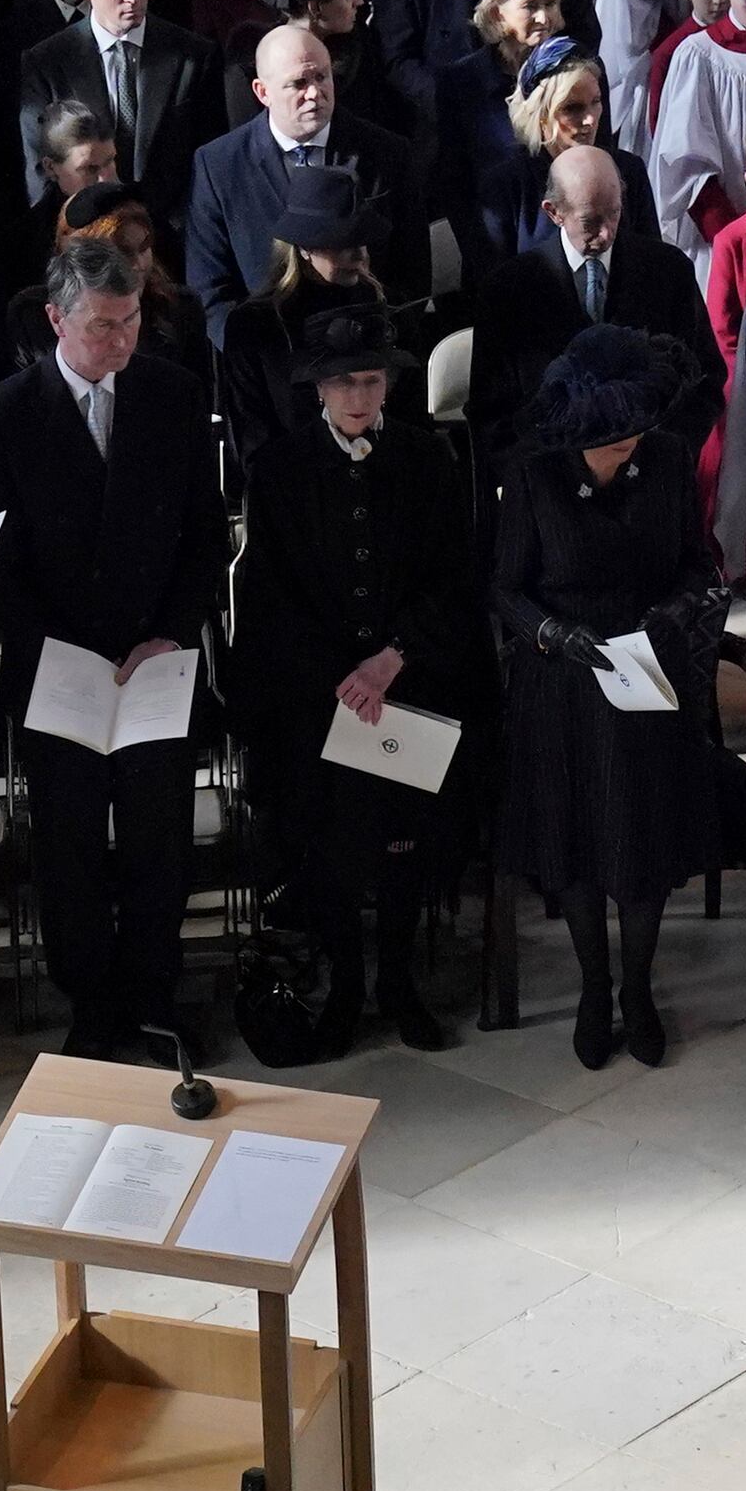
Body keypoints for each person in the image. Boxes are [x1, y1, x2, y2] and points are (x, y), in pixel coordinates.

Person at [0, 239, 223, 1063]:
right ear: (56, 319)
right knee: (67, 843)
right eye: (103, 325)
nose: (122, 339)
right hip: (56, 664)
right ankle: (90, 999)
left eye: (133, 319)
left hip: (156, 658)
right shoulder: (5, 410)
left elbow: (205, 536)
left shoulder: (172, 394)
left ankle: (153, 991)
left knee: (158, 837)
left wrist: (170, 627)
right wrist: (47, 644)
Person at [234, 298, 489, 1049]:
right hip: (316, 695)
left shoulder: (425, 459)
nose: (358, 396)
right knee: (333, 842)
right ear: (317, 386)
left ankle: (399, 981)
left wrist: (391, 658)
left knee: (406, 838)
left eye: (372, 381)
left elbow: (451, 578)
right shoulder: (277, 471)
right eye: (344, 382)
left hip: (410, 682)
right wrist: (340, 676)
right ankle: (346, 983)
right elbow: (270, 597)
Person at [488, 326, 740, 1068]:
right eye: (612, 439)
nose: (628, 446)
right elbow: (504, 586)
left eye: (635, 432)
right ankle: (594, 988)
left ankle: (637, 988)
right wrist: (553, 636)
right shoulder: (533, 475)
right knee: (576, 846)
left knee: (643, 839)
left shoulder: (665, 462)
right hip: (562, 680)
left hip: (644, 672)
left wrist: (676, 610)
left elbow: (697, 564)